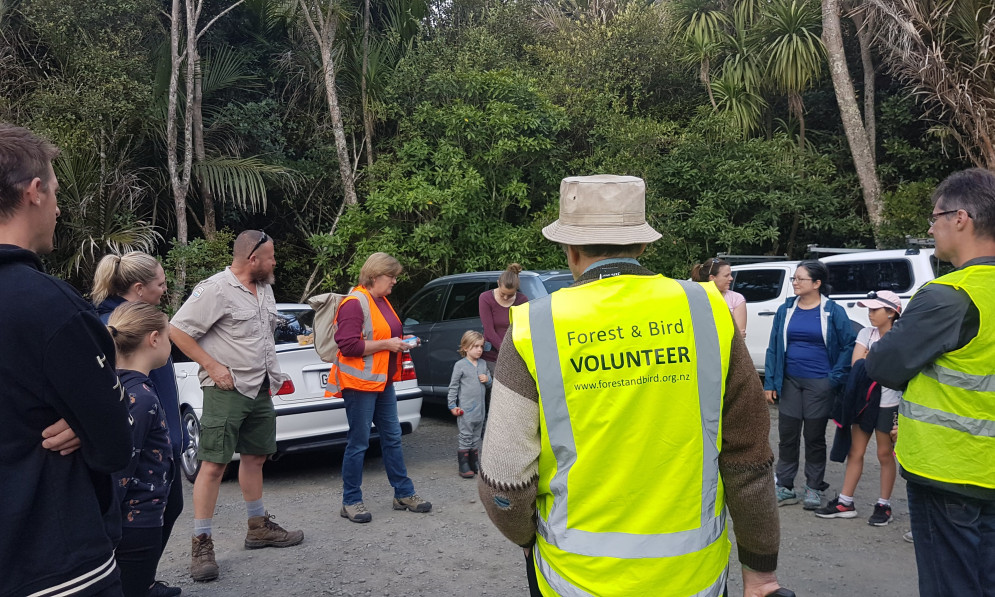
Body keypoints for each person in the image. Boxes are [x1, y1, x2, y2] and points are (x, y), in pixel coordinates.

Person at [478, 174, 783, 596]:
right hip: (693, 580)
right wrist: (761, 569)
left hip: (573, 580)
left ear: (569, 250)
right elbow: (748, 461)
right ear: (642, 245)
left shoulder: (535, 325)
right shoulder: (707, 310)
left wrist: (528, 538)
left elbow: (504, 481)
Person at [0, 123, 132, 596]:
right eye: (55, 192)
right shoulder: (51, 307)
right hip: (54, 561)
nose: (59, 208)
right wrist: (89, 417)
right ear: (34, 192)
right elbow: (116, 442)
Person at [865, 168, 995, 596]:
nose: (930, 227)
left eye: (935, 216)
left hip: (952, 472)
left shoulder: (950, 295)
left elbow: (884, 364)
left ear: (962, 218)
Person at [169, 230, 303, 583]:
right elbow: (177, 330)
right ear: (252, 259)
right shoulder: (215, 288)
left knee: (256, 457)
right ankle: (201, 543)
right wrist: (212, 366)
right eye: (271, 257)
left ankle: (258, 527)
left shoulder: (265, 289)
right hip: (225, 389)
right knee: (213, 466)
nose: (276, 263)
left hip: (260, 388)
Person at [93, 252, 183, 597]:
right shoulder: (117, 329)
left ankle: (140, 579)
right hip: (134, 509)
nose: (164, 289)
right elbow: (122, 465)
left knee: (169, 507)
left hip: (160, 441)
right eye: (160, 284)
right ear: (139, 288)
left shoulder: (141, 326)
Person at [325, 252, 433, 523]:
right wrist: (388, 345)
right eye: (391, 276)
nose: (395, 281)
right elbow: (348, 345)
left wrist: (402, 341)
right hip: (359, 384)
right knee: (359, 443)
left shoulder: (381, 300)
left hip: (381, 381)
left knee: (393, 437)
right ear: (374, 276)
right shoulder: (354, 303)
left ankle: (403, 493)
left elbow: (384, 334)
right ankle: (350, 501)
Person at [764, 260, 856, 510]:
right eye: (794, 278)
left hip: (820, 383)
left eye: (800, 279)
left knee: (814, 436)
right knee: (788, 435)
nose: (794, 282)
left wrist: (833, 378)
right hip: (790, 380)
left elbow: (849, 344)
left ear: (816, 284)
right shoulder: (787, 309)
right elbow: (774, 347)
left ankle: (814, 488)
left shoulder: (832, 311)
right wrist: (770, 382)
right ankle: (785, 486)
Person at [815, 290, 902, 526]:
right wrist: (871, 362)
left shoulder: (900, 338)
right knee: (856, 451)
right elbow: (857, 365)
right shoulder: (866, 332)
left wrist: (868, 359)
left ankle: (884, 505)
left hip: (889, 403)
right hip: (863, 401)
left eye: (875, 310)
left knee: (885, 453)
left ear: (892, 313)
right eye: (869, 309)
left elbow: (888, 370)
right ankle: (845, 501)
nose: (870, 314)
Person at [106, 302, 175, 597]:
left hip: (128, 522)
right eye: (169, 336)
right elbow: (121, 465)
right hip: (136, 522)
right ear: (154, 339)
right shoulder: (141, 398)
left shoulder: (114, 386)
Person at [447, 330, 491, 478]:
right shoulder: (460, 365)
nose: (479, 350)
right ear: (466, 348)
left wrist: (487, 379)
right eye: (475, 346)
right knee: (466, 435)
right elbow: (453, 387)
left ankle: (474, 461)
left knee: (476, 435)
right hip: (466, 410)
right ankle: (464, 464)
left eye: (481, 346)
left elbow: (490, 383)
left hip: (481, 410)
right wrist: (452, 406)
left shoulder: (483, 364)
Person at [478, 263, 528, 374]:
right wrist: (507, 352)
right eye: (502, 294)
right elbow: (489, 331)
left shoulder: (522, 300)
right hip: (491, 357)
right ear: (498, 284)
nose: (505, 297)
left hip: (515, 358)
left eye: (510, 295)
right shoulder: (485, 298)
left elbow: (523, 330)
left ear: (517, 289)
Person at [692, 257, 747, 336]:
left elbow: (740, 337)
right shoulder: (696, 299)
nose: (731, 278)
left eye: (730, 275)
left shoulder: (737, 299)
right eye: (726, 275)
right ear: (712, 278)